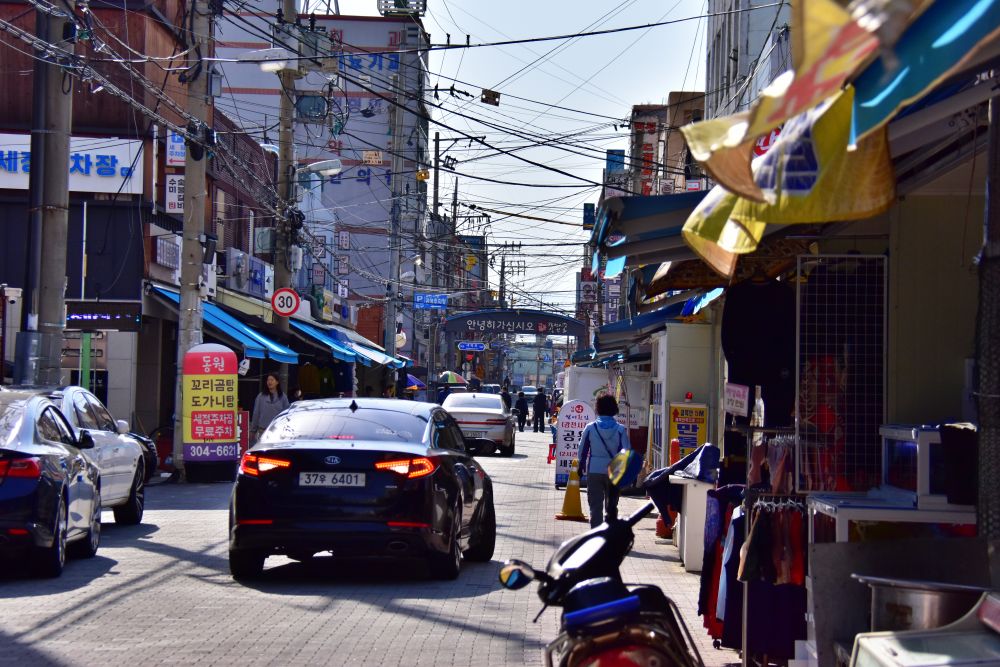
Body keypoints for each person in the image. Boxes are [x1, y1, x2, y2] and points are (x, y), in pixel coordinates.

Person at [577, 395, 631, 528]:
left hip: (594, 470)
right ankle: (610, 534)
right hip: (614, 471)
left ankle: (596, 535)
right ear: (614, 409)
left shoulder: (590, 428)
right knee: (611, 506)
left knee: (595, 506)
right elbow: (627, 451)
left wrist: (580, 466)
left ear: (598, 408)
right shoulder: (620, 429)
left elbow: (582, 449)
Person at [250, 373, 290, 442]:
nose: (269, 382)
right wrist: (253, 430)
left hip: (277, 431)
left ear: (277, 382)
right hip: (262, 430)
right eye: (268, 380)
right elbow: (256, 414)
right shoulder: (260, 396)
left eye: (272, 380)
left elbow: (287, 414)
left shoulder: (283, 397)